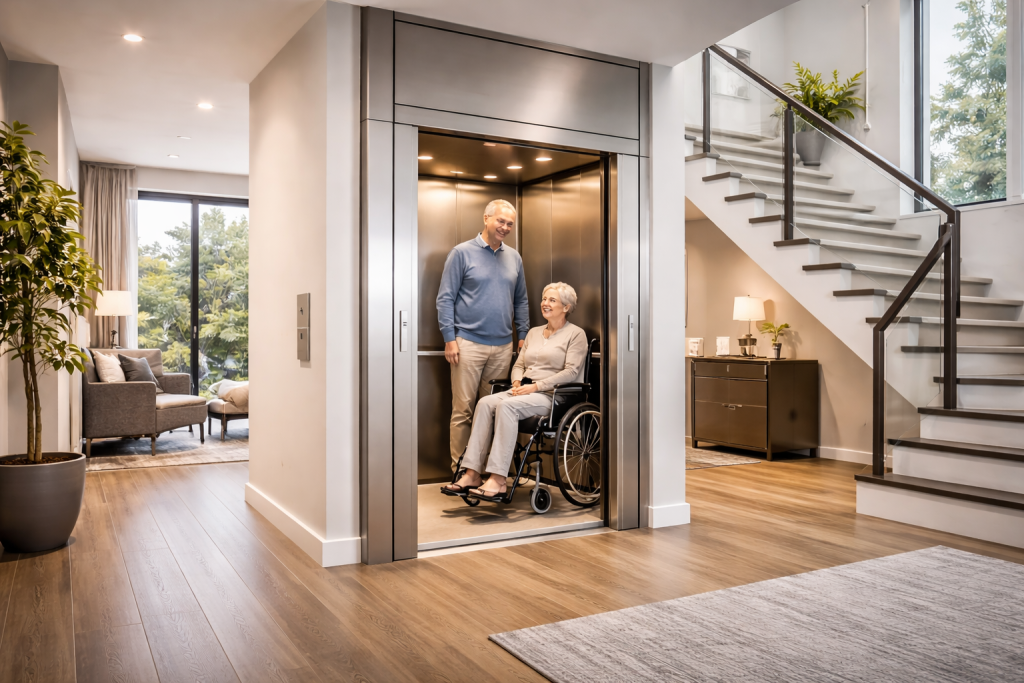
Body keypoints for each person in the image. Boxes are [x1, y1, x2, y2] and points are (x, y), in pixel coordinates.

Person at [443, 282, 587, 500]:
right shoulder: (534, 333)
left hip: (552, 396)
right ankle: (472, 473)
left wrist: (536, 386)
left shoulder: (576, 335)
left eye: (552, 300)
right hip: (525, 391)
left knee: (506, 406)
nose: (545, 303)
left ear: (566, 307)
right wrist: (518, 382)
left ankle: (499, 479)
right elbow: (519, 364)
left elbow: (571, 372)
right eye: (544, 298)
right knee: (485, 403)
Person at [436, 199, 530, 472]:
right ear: (487, 218)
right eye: (500, 221)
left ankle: (489, 472)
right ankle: (461, 471)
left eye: (510, 223)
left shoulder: (514, 257)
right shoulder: (461, 253)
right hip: (467, 344)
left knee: (494, 411)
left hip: (503, 347)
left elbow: (521, 300)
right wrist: (449, 338)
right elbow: (445, 299)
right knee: (463, 411)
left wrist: (522, 335)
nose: (505, 227)